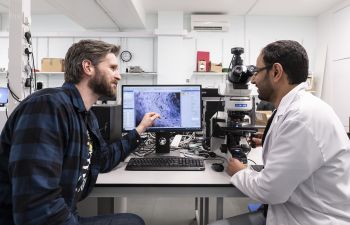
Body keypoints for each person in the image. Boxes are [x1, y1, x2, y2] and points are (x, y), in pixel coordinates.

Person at [0, 39, 160, 225]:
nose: (119, 76)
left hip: (65, 215)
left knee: (133, 221)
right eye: (113, 68)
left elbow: (103, 159)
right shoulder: (47, 107)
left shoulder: (85, 115)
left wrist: (140, 129)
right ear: (88, 67)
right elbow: (37, 209)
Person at [210, 40, 350, 225]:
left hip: (310, 219)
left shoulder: (301, 118)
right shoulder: (298, 107)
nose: (253, 80)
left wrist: (240, 172)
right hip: (293, 210)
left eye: (257, 72)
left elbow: (269, 191)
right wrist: (271, 141)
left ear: (276, 72)